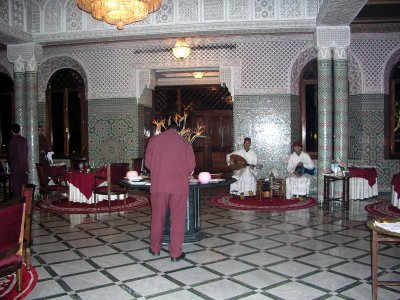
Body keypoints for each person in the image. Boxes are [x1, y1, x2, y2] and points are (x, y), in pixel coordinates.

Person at [144, 123, 195, 262]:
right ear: (178, 131)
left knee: (157, 218)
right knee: (177, 220)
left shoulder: (154, 140)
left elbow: (147, 163)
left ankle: (154, 248)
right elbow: (191, 166)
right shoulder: (184, 143)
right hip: (178, 187)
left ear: (167, 129)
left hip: (159, 185)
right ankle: (175, 253)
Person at [8, 123, 29, 197]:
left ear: (12, 131)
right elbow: (26, 152)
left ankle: (18, 205)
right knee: (24, 187)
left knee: (16, 188)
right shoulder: (24, 140)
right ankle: (25, 204)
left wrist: (10, 166)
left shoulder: (12, 141)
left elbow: (11, 155)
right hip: (24, 167)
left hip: (16, 168)